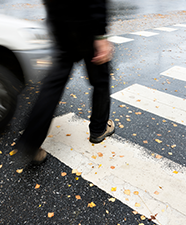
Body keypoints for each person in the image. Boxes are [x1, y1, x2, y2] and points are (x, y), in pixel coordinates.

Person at [15, 0, 114, 165]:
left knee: (54, 83)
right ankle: (99, 129)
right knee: (101, 79)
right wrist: (101, 35)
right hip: (85, 20)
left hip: (59, 20)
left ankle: (31, 142)